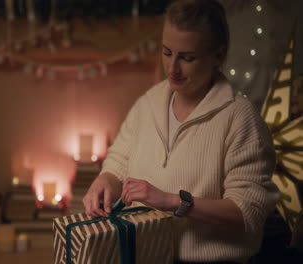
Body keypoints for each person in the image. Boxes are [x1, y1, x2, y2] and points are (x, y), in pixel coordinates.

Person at [82, 0, 280, 263]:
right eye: (167, 52)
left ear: (218, 56)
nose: (172, 68)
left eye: (187, 58)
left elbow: (248, 210)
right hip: (144, 256)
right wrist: (105, 181)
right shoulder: (148, 103)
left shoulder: (240, 118)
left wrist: (172, 201)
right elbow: (119, 161)